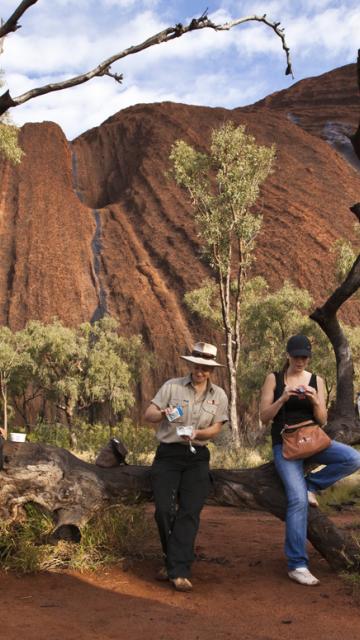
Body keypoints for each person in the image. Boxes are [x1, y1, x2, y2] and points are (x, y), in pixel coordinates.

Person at [260, 334, 360, 587]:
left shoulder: (317, 380)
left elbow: (323, 419)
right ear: (288, 355)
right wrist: (283, 398)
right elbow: (263, 417)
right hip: (285, 446)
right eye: (296, 356)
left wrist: (315, 399)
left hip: (313, 439)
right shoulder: (275, 378)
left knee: (352, 457)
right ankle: (297, 564)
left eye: (304, 356)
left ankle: (312, 485)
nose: (300, 361)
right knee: (296, 501)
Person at [144, 341, 228, 592]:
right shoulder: (172, 387)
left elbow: (216, 429)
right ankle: (173, 562)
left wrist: (197, 432)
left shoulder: (219, 395)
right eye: (196, 366)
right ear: (190, 364)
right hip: (168, 454)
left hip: (197, 455)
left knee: (190, 511)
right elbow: (148, 415)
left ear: (211, 370)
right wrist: (163, 413)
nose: (200, 371)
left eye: (205, 368)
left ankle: (178, 570)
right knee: (164, 510)